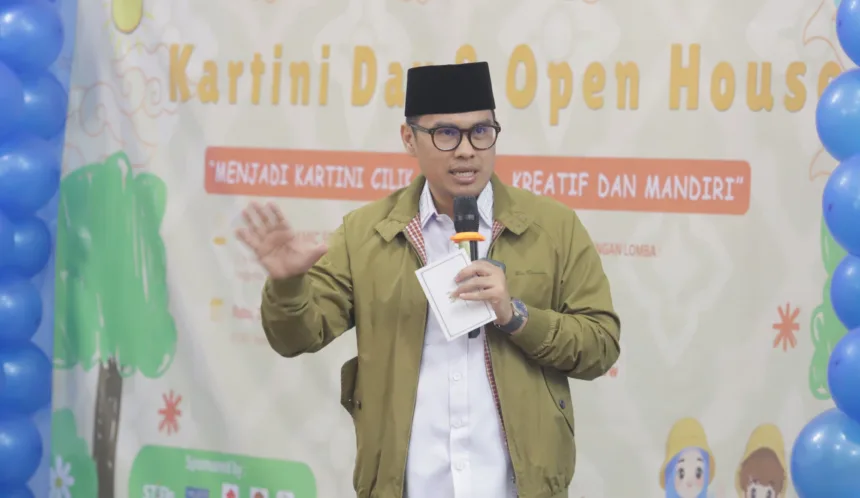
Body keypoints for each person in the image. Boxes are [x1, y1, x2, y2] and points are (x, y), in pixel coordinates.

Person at [237, 61, 621, 498]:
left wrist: (515, 315)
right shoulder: (366, 234)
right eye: (446, 133)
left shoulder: (553, 228)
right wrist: (288, 286)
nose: (466, 150)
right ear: (409, 138)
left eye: (481, 132)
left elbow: (601, 346)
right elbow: (296, 338)